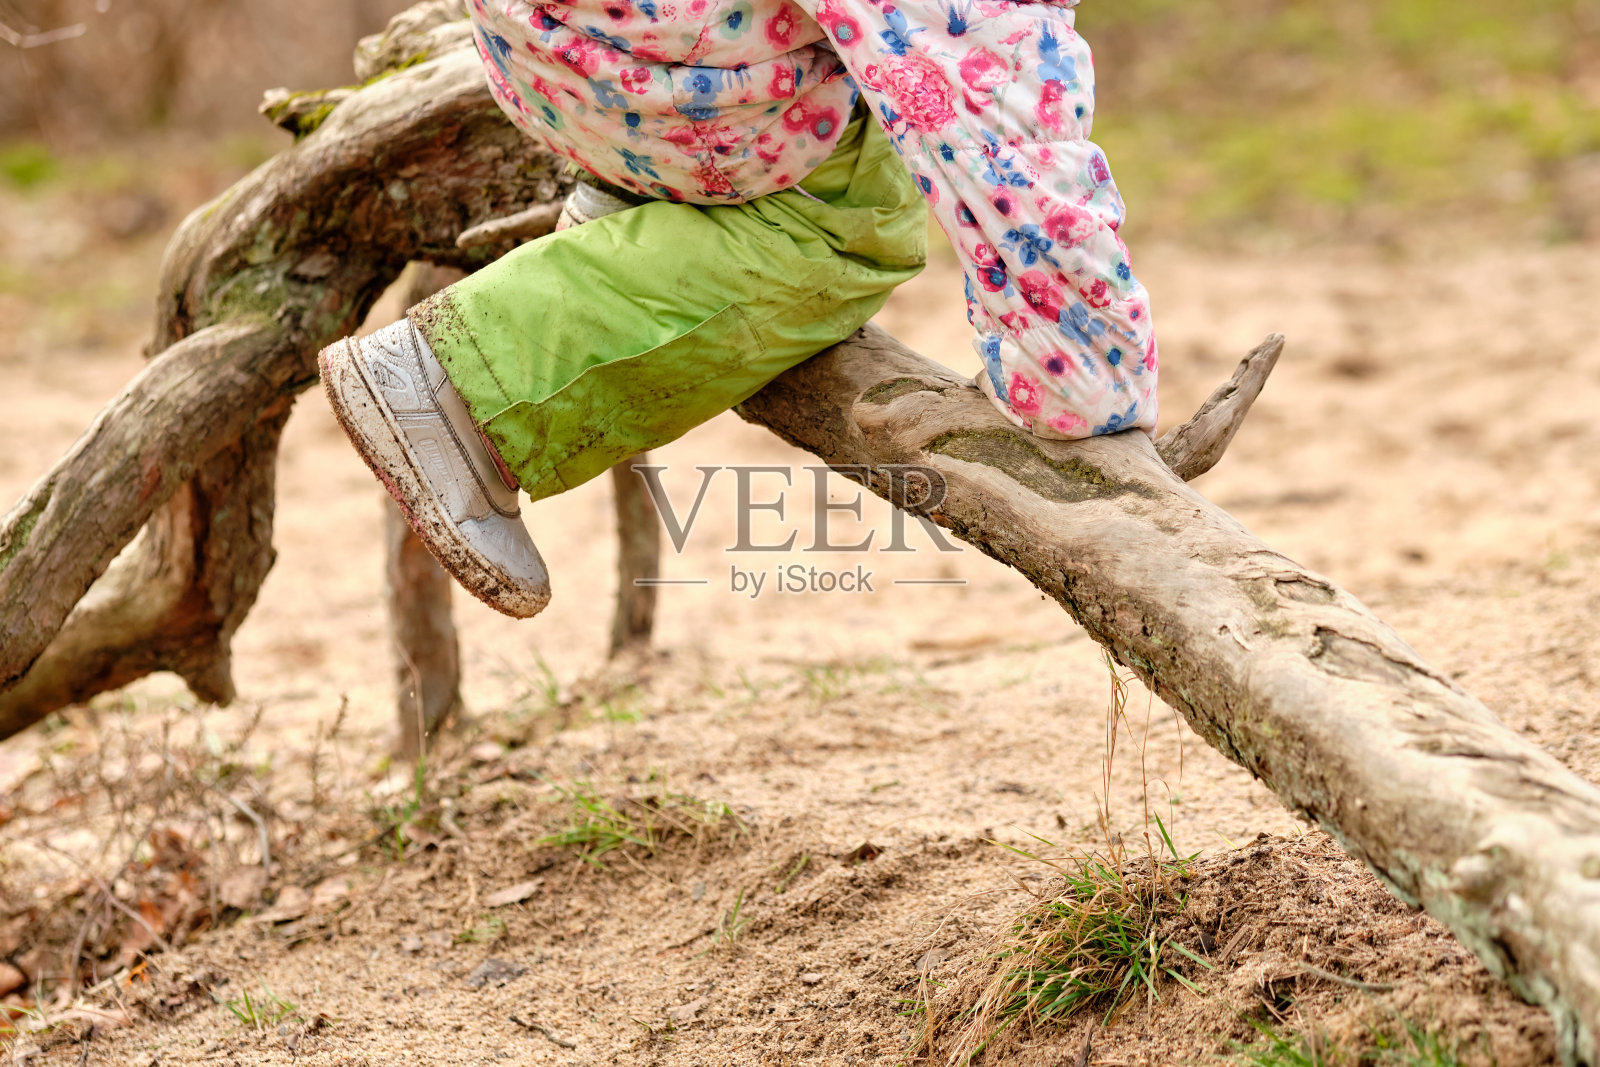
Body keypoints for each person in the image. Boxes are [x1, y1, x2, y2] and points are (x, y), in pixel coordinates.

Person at [318, 0, 1158, 619]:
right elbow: (1005, 146)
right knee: (852, 226)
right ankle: (462, 393)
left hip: (552, 51)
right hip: (675, 84)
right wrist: (1092, 386)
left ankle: (628, 214)